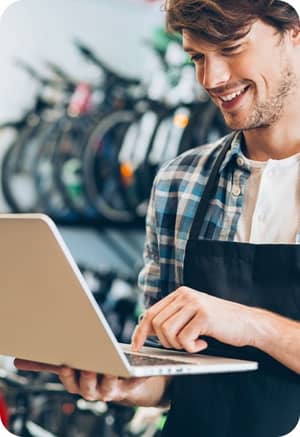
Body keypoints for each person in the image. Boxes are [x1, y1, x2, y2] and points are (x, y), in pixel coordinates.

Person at [15, 1, 300, 436]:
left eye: (231, 48)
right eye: (197, 57)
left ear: (293, 33)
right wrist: (130, 382)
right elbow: (168, 374)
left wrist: (251, 324)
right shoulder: (179, 181)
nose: (212, 79)